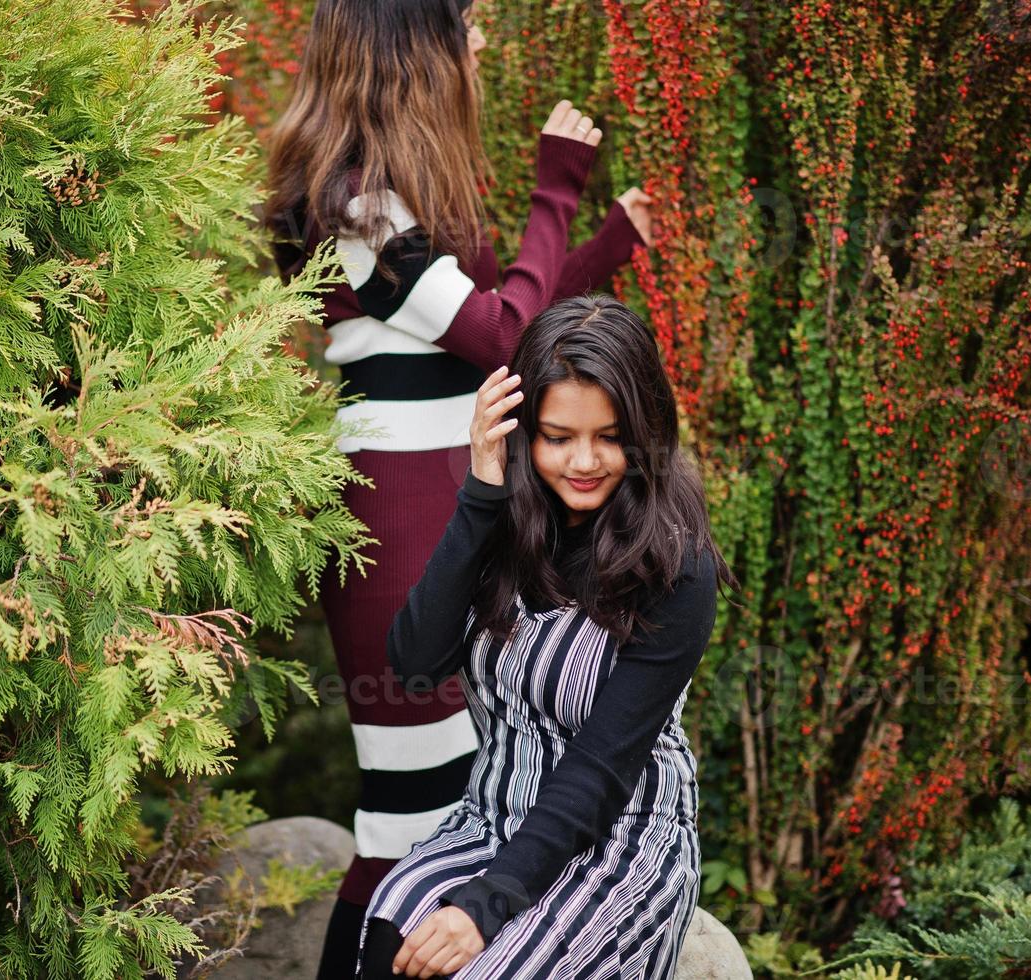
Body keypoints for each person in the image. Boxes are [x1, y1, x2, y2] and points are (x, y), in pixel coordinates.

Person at [262, 1, 654, 976]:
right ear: (409, 45)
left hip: (452, 510)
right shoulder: (357, 205)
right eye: (465, 23)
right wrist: (556, 187)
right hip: (397, 524)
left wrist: (606, 242)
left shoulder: (396, 197)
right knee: (409, 813)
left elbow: (503, 318)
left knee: (455, 806)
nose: (480, 42)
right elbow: (498, 337)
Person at [355, 293, 737, 978]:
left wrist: (484, 907)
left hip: (619, 836)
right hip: (490, 818)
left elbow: (600, 769)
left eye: (609, 435)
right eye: (557, 437)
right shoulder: (507, 519)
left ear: (643, 429)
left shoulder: (677, 565)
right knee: (390, 931)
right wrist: (479, 492)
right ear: (522, 429)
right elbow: (412, 667)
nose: (583, 461)